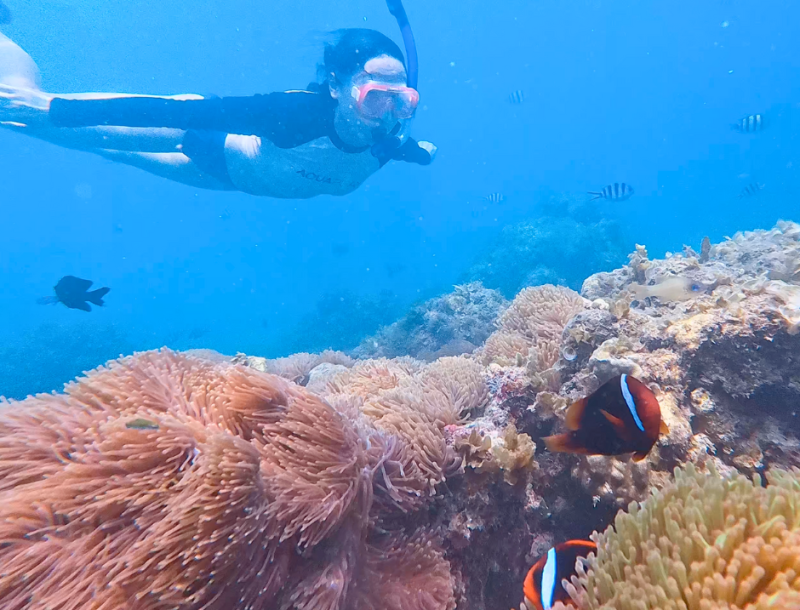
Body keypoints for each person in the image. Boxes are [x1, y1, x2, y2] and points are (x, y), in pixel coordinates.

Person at [0, 27, 436, 198]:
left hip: (226, 180)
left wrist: (421, 153)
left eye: (402, 100)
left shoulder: (390, 137)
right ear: (337, 87)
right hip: (202, 140)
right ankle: (24, 89)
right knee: (50, 121)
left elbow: (400, 147)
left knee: (106, 151)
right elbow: (172, 114)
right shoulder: (294, 115)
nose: (388, 112)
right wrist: (59, 110)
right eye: (375, 97)